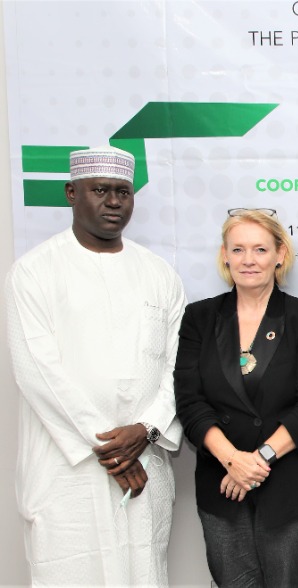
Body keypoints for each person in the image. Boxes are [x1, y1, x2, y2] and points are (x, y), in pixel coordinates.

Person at [5, 146, 185, 585]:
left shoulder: (159, 273)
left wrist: (147, 430)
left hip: (146, 458)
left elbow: (180, 366)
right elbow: (37, 370)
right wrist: (111, 450)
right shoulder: (34, 271)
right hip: (69, 467)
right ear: (71, 193)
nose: (113, 201)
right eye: (99, 190)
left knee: (144, 571)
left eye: (123, 191)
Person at [174, 208, 298, 586]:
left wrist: (257, 461)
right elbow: (190, 402)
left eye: (260, 250)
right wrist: (232, 461)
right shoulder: (199, 317)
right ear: (224, 255)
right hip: (222, 484)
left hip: (289, 485)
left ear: (280, 255)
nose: (248, 260)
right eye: (238, 249)